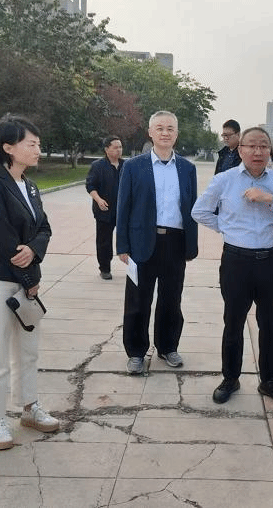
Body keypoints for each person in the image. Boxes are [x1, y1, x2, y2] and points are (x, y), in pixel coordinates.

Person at [191, 127, 273, 405]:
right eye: (251, 146)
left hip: (270, 262)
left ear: (270, 151)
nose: (258, 151)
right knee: (233, 323)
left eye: (264, 146)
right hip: (236, 262)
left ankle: (269, 381)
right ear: (240, 149)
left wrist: (269, 198)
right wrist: (227, 228)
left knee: (270, 324)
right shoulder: (224, 179)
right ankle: (230, 378)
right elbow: (199, 211)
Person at [0, 115, 59, 450]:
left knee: (27, 351)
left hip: (27, 281)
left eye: (38, 144)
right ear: (8, 147)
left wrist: (34, 255)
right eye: (31, 144)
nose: (38, 150)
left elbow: (44, 229)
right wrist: (28, 275)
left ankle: (29, 407)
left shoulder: (30, 186)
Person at [116, 111, 198, 374]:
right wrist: (122, 246)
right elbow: (123, 207)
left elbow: (191, 208)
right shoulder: (133, 166)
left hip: (175, 243)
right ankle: (136, 352)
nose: (165, 133)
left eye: (170, 128)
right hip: (141, 242)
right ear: (150, 133)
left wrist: (191, 245)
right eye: (160, 128)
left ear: (177, 134)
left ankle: (168, 347)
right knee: (138, 300)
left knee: (171, 299)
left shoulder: (187, 168)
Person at [86, 136, 124, 279]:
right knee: (104, 241)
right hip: (104, 211)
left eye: (120, 147)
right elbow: (90, 186)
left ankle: (135, 267)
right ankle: (105, 269)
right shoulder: (98, 166)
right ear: (107, 149)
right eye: (115, 147)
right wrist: (98, 199)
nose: (119, 150)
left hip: (123, 211)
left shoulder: (126, 165)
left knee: (131, 239)